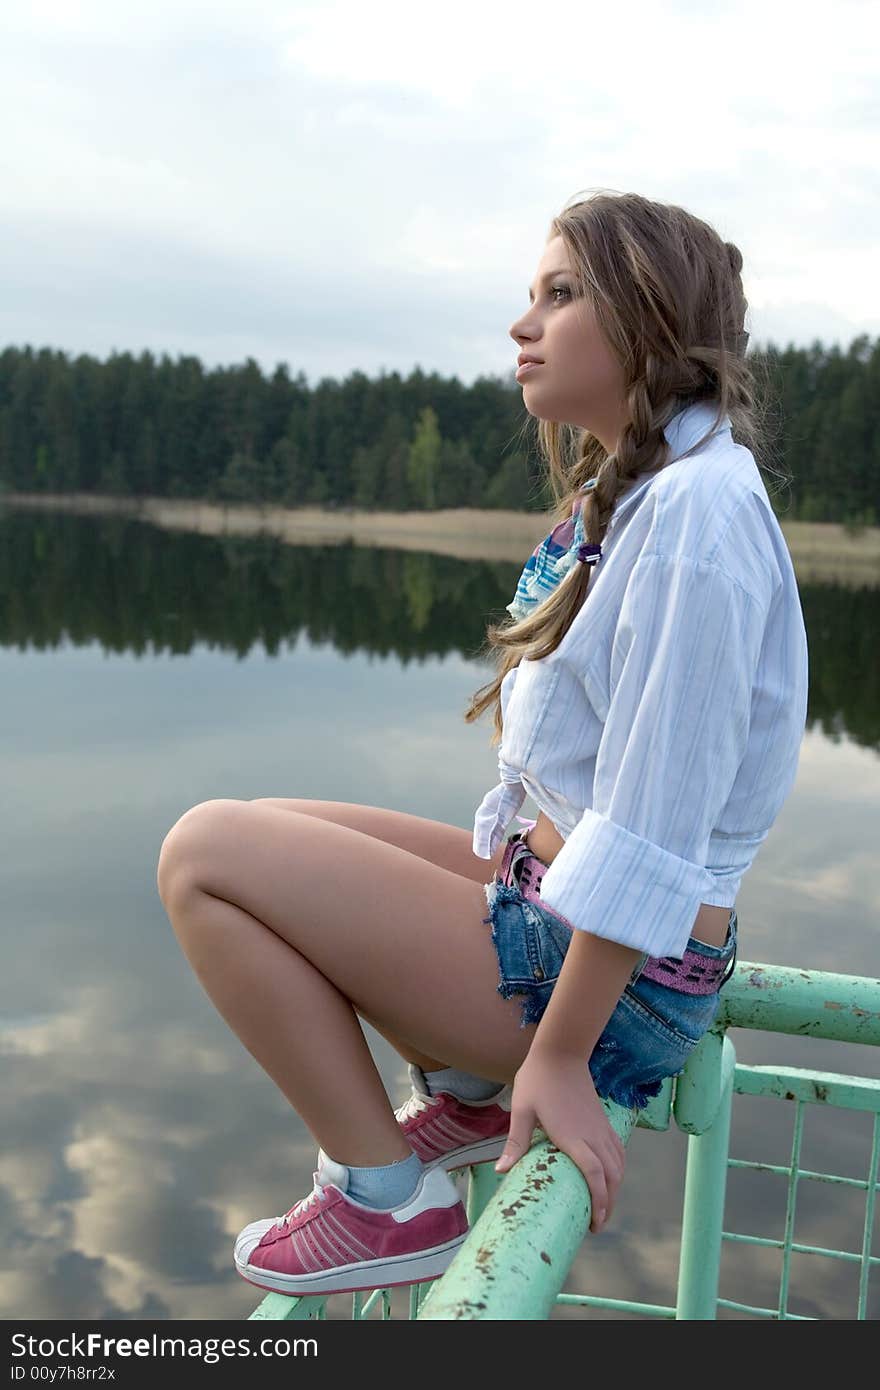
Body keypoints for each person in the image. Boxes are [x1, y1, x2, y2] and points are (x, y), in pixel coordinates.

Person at [156, 189, 809, 1301]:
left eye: (560, 295)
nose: (524, 324)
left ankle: (383, 1196)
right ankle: (462, 1078)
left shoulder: (699, 517)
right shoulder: (646, 491)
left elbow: (649, 830)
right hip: (565, 931)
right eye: (530, 295)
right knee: (270, 827)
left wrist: (556, 1056)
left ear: (645, 318)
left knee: (204, 854)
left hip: (611, 986)